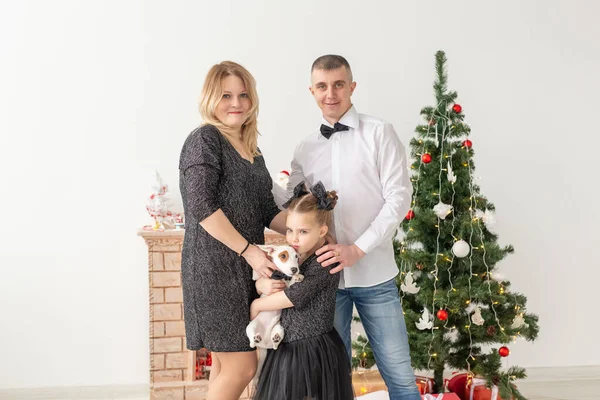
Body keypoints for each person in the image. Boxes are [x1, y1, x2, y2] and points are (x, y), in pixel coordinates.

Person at [283, 55, 421, 400]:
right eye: (322, 86)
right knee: (332, 382)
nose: (331, 93)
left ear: (352, 87)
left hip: (374, 275)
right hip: (323, 282)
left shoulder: (380, 133)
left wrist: (357, 249)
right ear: (312, 91)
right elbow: (295, 205)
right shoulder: (304, 148)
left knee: (400, 376)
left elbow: (399, 199)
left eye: (339, 84)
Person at [178, 61, 287, 400]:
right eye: (226, 95)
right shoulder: (204, 139)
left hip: (243, 271)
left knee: (226, 368)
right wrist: (250, 251)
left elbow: (267, 211)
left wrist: (310, 228)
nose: (236, 103)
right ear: (211, 97)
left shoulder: (252, 149)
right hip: (213, 270)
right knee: (243, 367)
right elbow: (202, 205)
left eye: (243, 94)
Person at [251, 181, 355, 400]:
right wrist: (261, 285)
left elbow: (295, 295)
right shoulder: (294, 255)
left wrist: (257, 304)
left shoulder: (325, 261)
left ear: (322, 231)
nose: (294, 238)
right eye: (290, 230)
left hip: (313, 348)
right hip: (287, 345)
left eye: (303, 231)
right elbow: (271, 279)